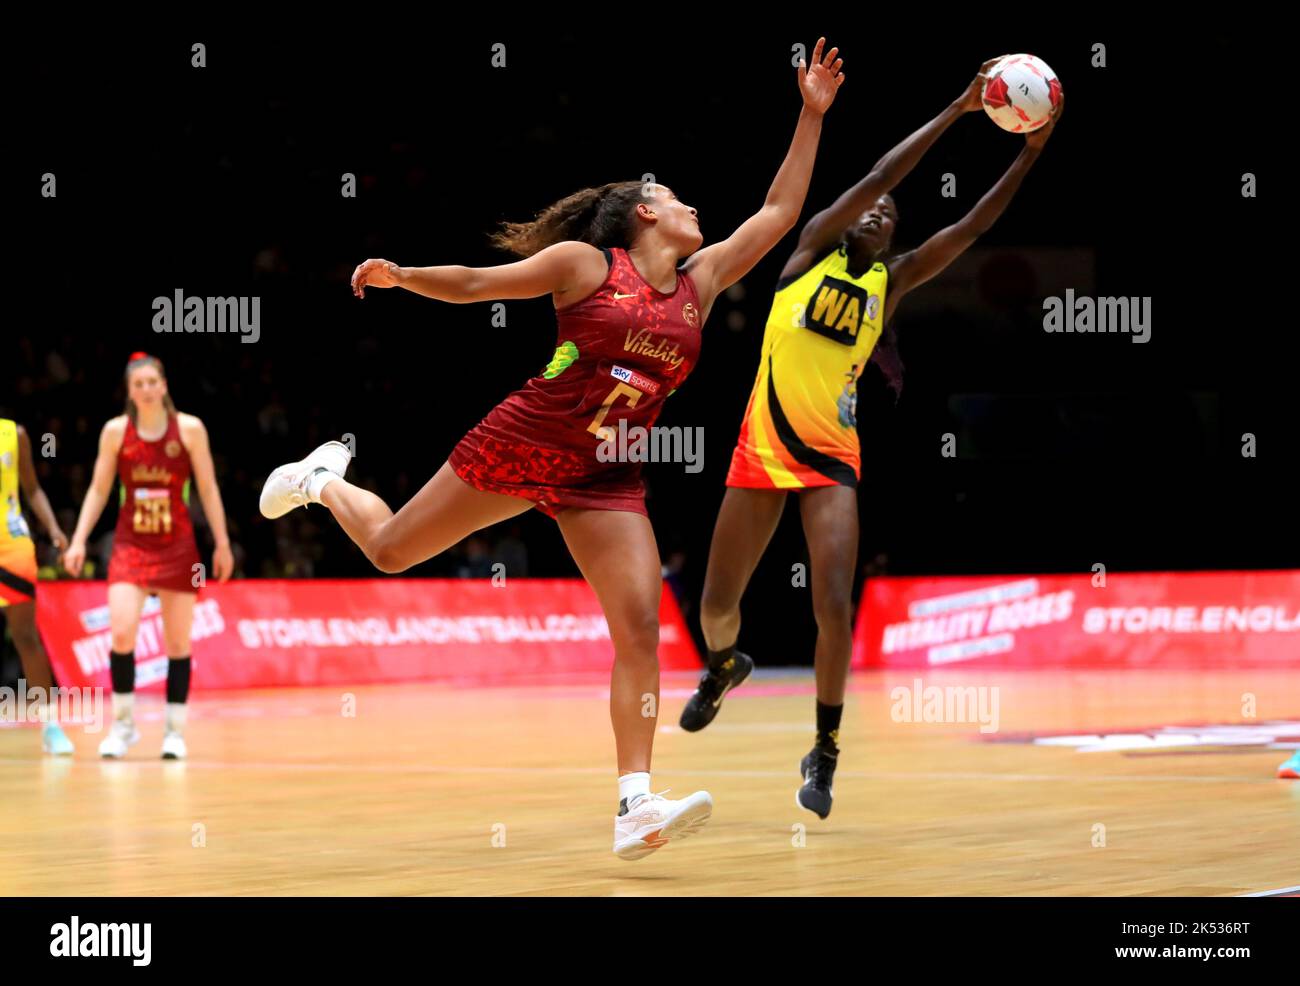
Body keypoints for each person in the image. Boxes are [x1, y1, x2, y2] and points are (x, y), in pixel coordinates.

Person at [260, 39, 846, 859]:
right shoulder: (584, 266)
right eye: (676, 199)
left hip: (603, 477)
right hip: (523, 442)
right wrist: (402, 275)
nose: (694, 210)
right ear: (645, 211)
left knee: (641, 626)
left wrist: (810, 115)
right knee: (391, 551)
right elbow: (474, 283)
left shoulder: (700, 285)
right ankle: (325, 480)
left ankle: (635, 803)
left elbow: (778, 216)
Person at [683, 58, 1062, 820]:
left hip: (831, 461)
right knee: (716, 610)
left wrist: (1028, 151)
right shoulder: (805, 255)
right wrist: (959, 108)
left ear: (894, 236)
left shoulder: (889, 284)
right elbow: (885, 168)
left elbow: (975, 224)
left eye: (889, 212)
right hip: (760, 448)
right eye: (868, 205)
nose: (875, 211)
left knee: (834, 603)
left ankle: (824, 750)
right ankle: (723, 665)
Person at [63, 353, 234, 759]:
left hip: (178, 547)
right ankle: (123, 726)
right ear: (129, 391)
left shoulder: (190, 429)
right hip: (130, 545)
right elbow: (99, 490)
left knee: (178, 643)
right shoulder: (115, 432)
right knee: (122, 633)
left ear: (163, 385)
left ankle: (174, 732)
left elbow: (208, 489)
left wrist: (223, 542)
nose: (144, 389)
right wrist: (78, 539)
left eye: (150, 382)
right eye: (137, 384)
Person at [0, 416, 72, 754]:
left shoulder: (15, 434)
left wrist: (54, 528)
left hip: (10, 545)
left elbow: (32, 489)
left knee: (26, 636)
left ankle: (50, 725)